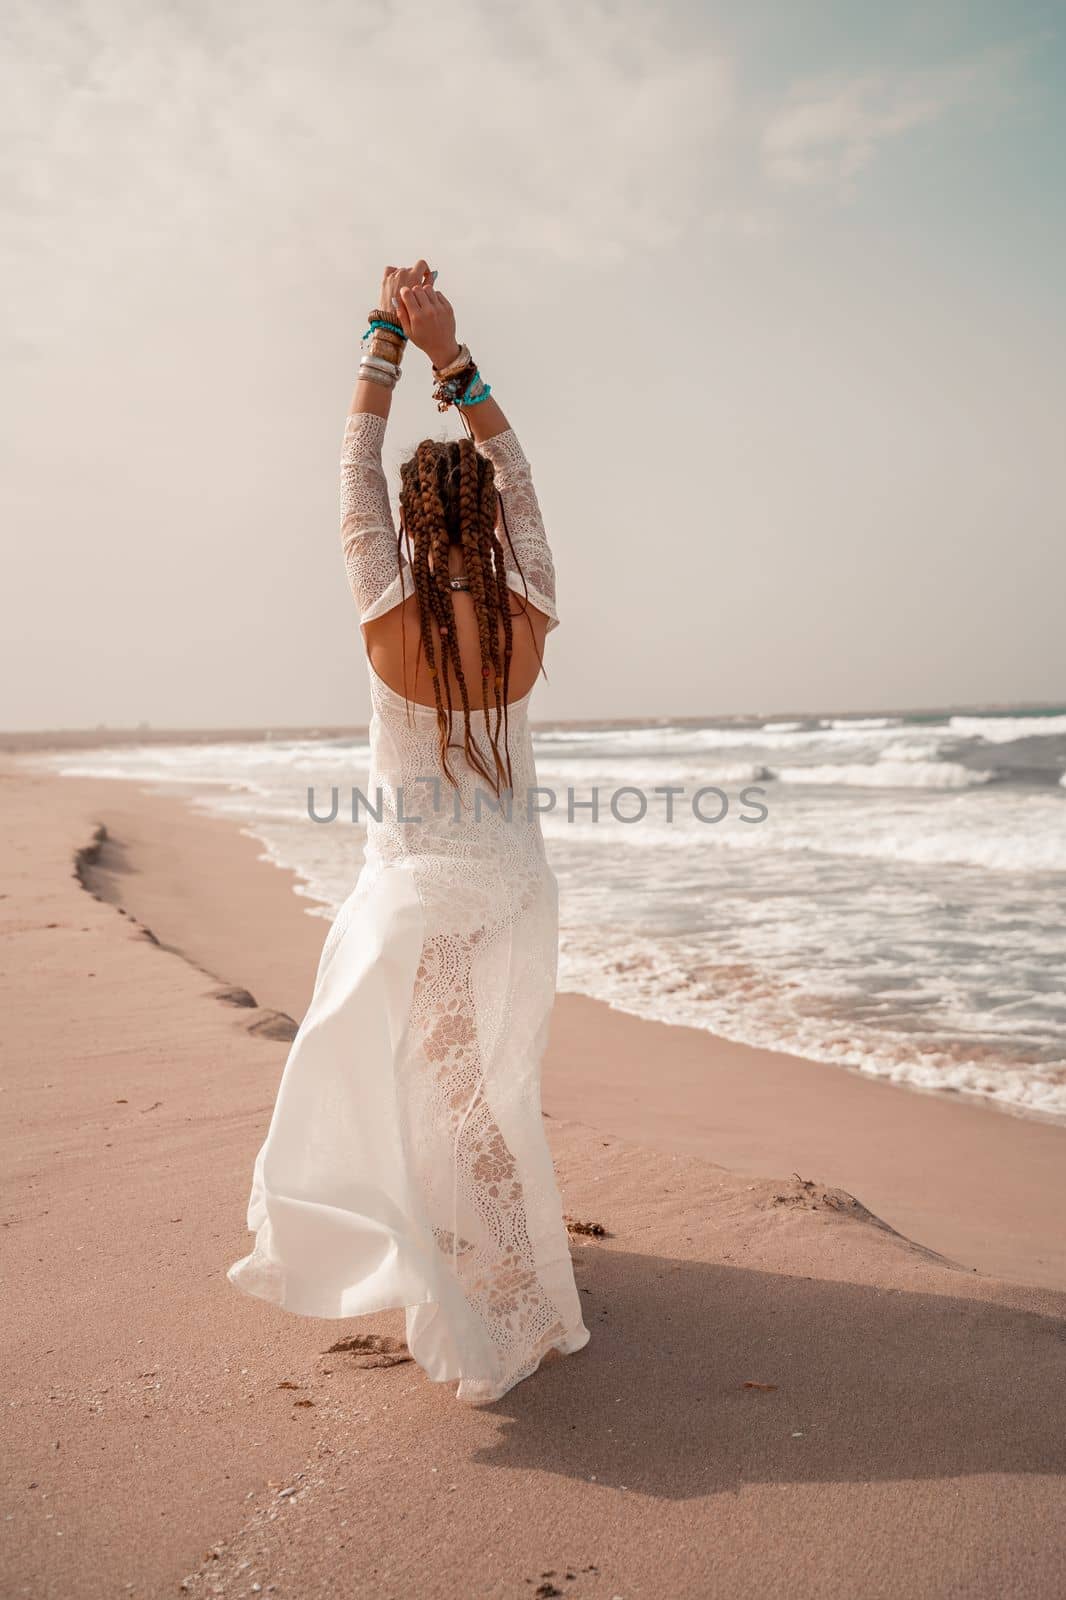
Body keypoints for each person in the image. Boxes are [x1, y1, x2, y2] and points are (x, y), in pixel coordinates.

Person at [228, 260, 590, 1404]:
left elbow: (349, 467)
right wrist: (448, 353)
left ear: (405, 523)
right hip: (514, 887)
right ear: (484, 521)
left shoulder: (385, 613)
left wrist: (380, 337)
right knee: (485, 1081)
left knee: (454, 1092)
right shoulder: (529, 609)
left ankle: (503, 1297)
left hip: (424, 889)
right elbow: (518, 471)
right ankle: (490, 1261)